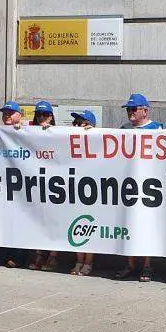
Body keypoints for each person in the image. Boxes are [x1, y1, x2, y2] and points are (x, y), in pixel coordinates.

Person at [115, 93, 162, 281]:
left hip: (149, 186)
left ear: (145, 110)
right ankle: (130, 263)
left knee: (147, 225)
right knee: (128, 223)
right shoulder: (123, 130)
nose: (130, 113)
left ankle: (147, 265)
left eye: (133, 109)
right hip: (128, 186)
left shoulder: (157, 129)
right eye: (128, 109)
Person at [0, 101, 28, 268]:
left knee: (20, 220)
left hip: (24, 184)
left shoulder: (26, 129)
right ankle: (1, 255)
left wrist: (22, 127)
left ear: (19, 115)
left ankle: (18, 257)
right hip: (3, 184)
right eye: (4, 113)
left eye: (11, 113)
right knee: (1, 219)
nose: (7, 116)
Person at [26, 100, 59, 271]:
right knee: (38, 220)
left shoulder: (59, 132)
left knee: (53, 220)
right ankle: (38, 254)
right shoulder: (29, 129)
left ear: (52, 116)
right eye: (39, 114)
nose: (42, 118)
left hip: (56, 183)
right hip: (36, 182)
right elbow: (13, 127)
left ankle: (53, 256)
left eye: (45, 114)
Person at [70, 110, 97, 275]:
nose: (79, 125)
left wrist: (92, 133)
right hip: (76, 186)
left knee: (91, 226)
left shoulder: (97, 138)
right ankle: (79, 260)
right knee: (77, 224)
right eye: (77, 122)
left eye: (83, 122)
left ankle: (89, 262)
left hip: (93, 187)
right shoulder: (71, 137)